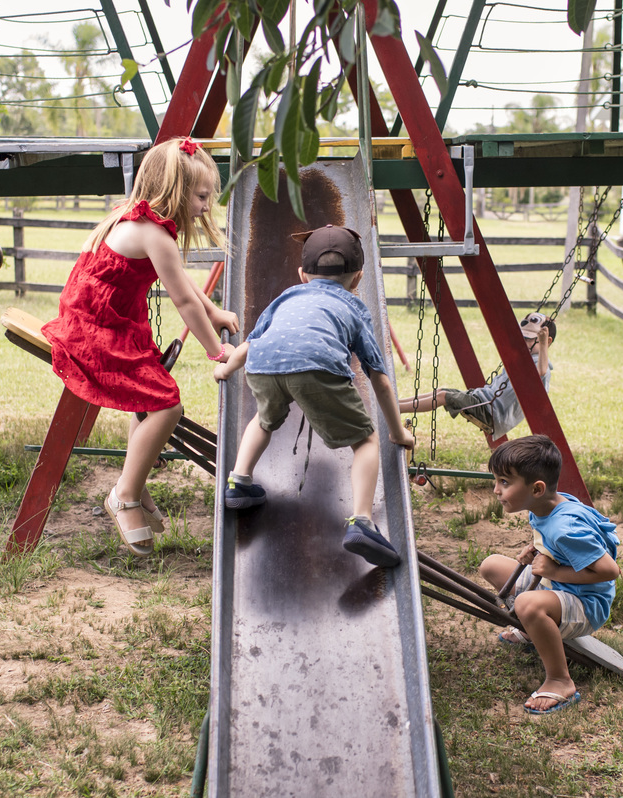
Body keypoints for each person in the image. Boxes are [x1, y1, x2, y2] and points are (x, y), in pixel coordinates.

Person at [42, 137, 238, 556]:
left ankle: (135, 481)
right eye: (201, 197)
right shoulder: (153, 233)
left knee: (149, 400)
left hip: (108, 319)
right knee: (166, 405)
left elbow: (182, 282)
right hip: (96, 330)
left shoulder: (137, 219)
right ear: (176, 192)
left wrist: (215, 312)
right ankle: (124, 496)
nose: (207, 207)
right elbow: (183, 300)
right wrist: (217, 351)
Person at [212, 225, 415, 567]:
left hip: (263, 366)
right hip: (317, 368)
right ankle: (362, 522)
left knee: (263, 420)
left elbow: (251, 342)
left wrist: (227, 369)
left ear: (302, 275)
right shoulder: (353, 306)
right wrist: (398, 433)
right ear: (358, 277)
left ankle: (239, 481)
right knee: (366, 441)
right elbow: (378, 378)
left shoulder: (286, 297)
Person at [477, 435, 620, 715]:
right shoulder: (546, 506)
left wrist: (553, 570)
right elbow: (557, 543)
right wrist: (537, 549)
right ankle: (535, 632)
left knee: (526, 604)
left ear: (537, 488)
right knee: (491, 565)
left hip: (586, 605)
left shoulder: (566, 528)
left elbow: (608, 571)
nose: (496, 490)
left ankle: (560, 680)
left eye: (504, 482)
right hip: (558, 587)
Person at [397, 312, 555, 438]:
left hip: (491, 413)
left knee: (443, 396)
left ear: (546, 341)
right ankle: (395, 403)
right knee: (441, 391)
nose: (524, 342)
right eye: (522, 338)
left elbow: (540, 372)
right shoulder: (524, 357)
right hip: (482, 399)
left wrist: (542, 344)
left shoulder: (541, 364)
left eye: (529, 339)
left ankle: (395, 409)